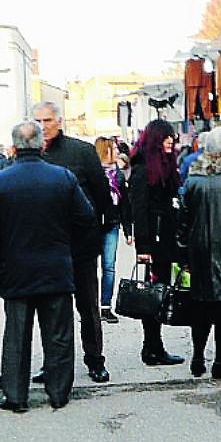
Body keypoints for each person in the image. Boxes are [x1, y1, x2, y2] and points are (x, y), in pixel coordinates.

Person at [0, 119, 96, 412]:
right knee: (58, 334)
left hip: (16, 267)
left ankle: (15, 395)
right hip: (56, 265)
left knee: (17, 335)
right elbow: (86, 217)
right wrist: (67, 244)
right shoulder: (63, 177)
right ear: (41, 144)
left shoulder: (1, 181)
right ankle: (58, 392)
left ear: (15, 146)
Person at [35, 100, 112, 384]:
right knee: (52, 310)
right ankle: (53, 362)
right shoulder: (32, 155)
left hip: (81, 245)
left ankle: (95, 359)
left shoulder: (81, 151)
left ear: (59, 121)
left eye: (47, 121)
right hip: (47, 247)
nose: (43, 127)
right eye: (38, 121)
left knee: (88, 306)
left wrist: (99, 231)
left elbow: (102, 195)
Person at [178, 127, 221, 378]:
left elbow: (183, 220)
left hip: (198, 250)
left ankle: (197, 356)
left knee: (200, 307)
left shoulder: (193, 179)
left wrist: (183, 253)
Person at [127, 120, 186, 368]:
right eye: (165, 137)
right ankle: (152, 346)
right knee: (153, 294)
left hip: (165, 240)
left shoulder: (164, 166)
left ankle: (153, 345)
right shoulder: (143, 170)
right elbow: (138, 210)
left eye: (171, 137)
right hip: (154, 242)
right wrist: (143, 248)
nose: (170, 141)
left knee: (160, 292)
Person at [94, 136, 125, 323]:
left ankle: (105, 306)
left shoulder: (118, 174)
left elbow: (125, 203)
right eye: (114, 149)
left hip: (112, 224)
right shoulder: (93, 174)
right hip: (93, 225)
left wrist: (128, 230)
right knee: (91, 267)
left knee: (109, 266)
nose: (118, 152)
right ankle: (90, 306)